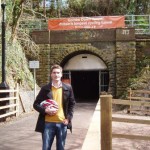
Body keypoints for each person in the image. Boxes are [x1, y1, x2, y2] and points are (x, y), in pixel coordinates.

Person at [33, 64, 76, 150]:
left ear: (61, 74)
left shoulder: (68, 88)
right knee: (46, 148)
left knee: (61, 148)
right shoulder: (45, 89)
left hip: (62, 123)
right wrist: (45, 110)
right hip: (47, 123)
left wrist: (68, 118)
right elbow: (36, 104)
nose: (56, 75)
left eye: (58, 73)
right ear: (51, 74)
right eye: (54, 73)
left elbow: (72, 104)